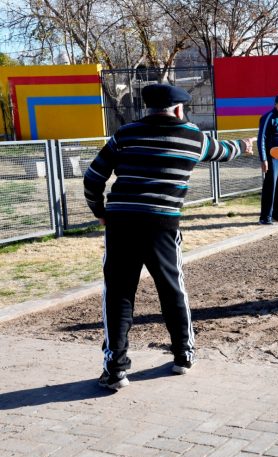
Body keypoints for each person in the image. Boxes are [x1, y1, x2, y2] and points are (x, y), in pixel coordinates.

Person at [84, 84, 254, 390]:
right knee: (172, 288)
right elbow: (223, 151)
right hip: (162, 224)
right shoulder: (193, 137)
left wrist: (100, 210)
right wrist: (245, 145)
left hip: (121, 222)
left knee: (119, 294)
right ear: (178, 109)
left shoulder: (124, 134)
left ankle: (116, 369)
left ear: (149, 108)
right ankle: (183, 356)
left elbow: (93, 177)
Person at [258, 93, 278, 224]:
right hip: (272, 158)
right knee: (270, 187)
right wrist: (263, 159)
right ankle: (265, 217)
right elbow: (261, 139)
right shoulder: (268, 117)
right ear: (275, 104)